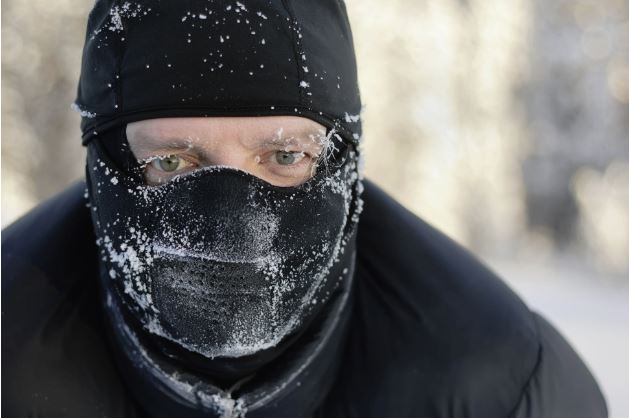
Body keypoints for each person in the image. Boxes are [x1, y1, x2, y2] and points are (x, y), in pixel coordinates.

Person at [1, 1, 608, 417]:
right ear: (105, 162)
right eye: (174, 163)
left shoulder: (503, 388)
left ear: (340, 158)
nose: (233, 225)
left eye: (284, 156)